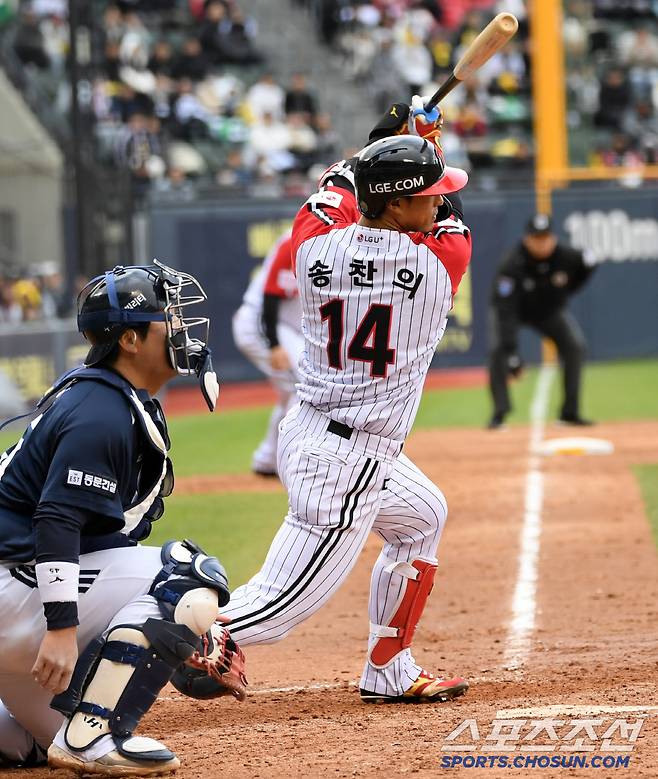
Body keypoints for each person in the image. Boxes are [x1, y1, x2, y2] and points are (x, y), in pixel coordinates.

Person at [218, 98, 473, 703]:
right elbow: (452, 223)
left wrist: (374, 145)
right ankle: (151, 639)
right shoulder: (439, 262)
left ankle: (388, 669)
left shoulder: (311, 246)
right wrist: (427, 138)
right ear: (395, 202)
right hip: (348, 459)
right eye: (428, 193)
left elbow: (332, 192)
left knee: (422, 516)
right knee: (274, 612)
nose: (438, 199)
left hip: (321, 431)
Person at [0, 262, 244, 775]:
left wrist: (184, 639)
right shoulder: (101, 411)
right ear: (130, 340)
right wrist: (62, 629)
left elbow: (101, 540)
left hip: (10, 591)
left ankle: (33, 728)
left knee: (31, 742)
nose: (180, 330)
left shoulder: (101, 395)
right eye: (168, 320)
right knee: (189, 577)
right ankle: (94, 737)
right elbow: (57, 520)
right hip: (12, 594)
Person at [487, 214, 597, 429]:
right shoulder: (512, 264)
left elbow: (589, 264)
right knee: (498, 351)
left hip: (548, 311)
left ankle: (570, 413)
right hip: (514, 311)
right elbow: (504, 310)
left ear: (554, 238)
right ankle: (499, 413)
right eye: (536, 238)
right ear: (526, 239)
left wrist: (567, 290)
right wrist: (512, 353)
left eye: (546, 237)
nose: (542, 242)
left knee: (574, 347)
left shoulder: (566, 256)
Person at [232, 230, 304, 477]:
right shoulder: (295, 239)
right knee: (302, 388)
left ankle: (267, 459)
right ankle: (293, 464)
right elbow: (271, 297)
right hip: (259, 324)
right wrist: (274, 344)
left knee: (292, 392)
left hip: (274, 325)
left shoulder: (319, 237)